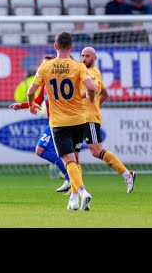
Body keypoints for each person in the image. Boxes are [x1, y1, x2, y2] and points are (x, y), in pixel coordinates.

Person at [27, 32, 97, 211]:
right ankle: (73, 199)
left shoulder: (45, 67)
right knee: (74, 158)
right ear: (72, 48)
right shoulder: (78, 66)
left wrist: (30, 105)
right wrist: (89, 97)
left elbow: (30, 92)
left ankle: (82, 191)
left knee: (68, 160)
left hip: (59, 122)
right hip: (79, 120)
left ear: (55, 46)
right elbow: (92, 88)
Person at [9, 53, 71, 193]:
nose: (44, 67)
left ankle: (72, 179)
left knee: (42, 150)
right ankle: (70, 179)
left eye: (47, 64)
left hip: (60, 122)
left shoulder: (58, 82)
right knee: (54, 152)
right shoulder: (44, 84)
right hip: (54, 122)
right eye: (42, 65)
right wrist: (22, 105)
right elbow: (37, 101)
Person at [79, 47, 136, 193]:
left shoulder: (92, 73)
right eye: (82, 55)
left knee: (96, 151)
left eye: (87, 56)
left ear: (94, 58)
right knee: (73, 150)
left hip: (89, 118)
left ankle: (126, 174)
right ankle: (73, 185)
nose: (84, 58)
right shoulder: (89, 71)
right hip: (79, 117)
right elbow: (105, 93)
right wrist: (96, 103)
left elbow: (95, 91)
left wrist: (80, 98)